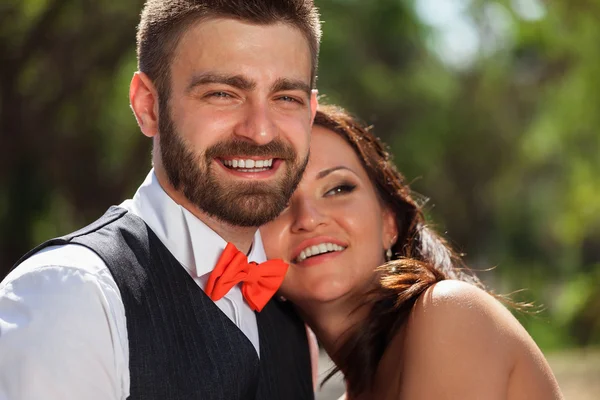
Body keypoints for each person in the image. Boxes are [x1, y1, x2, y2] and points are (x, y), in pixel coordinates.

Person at [0, 1, 322, 399]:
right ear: (148, 105)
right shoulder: (71, 296)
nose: (259, 131)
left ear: (310, 113)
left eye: (285, 97)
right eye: (222, 93)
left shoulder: (295, 323)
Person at [260, 104, 564, 400]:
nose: (309, 218)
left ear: (389, 221)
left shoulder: (450, 311)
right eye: (278, 201)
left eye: (338, 189)